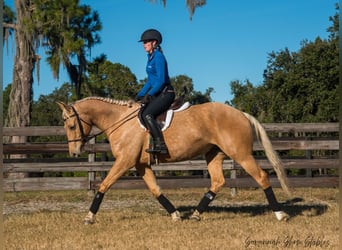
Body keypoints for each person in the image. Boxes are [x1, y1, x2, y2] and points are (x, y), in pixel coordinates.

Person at [135, 29, 175, 154]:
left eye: (146, 42)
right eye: (143, 42)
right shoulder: (150, 58)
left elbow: (161, 80)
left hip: (166, 93)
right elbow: (150, 81)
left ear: (154, 43)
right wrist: (139, 95)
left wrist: (150, 94)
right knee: (141, 113)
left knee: (147, 114)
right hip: (159, 92)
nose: (144, 44)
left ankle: (161, 145)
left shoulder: (159, 57)